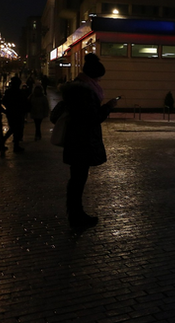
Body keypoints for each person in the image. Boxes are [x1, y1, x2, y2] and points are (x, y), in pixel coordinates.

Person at [61, 53, 118, 229]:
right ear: (94, 76)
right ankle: (76, 216)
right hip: (82, 142)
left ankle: (76, 214)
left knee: (76, 180)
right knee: (78, 180)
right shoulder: (85, 93)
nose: (99, 81)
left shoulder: (77, 89)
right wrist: (108, 107)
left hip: (76, 140)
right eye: (99, 78)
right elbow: (92, 118)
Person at [2, 77, 28, 153]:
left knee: (14, 129)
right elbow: (24, 102)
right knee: (15, 129)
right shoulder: (19, 92)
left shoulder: (8, 92)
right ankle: (13, 145)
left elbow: (4, 101)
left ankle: (9, 143)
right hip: (17, 113)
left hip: (11, 112)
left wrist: (8, 108)